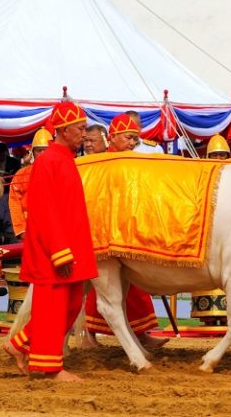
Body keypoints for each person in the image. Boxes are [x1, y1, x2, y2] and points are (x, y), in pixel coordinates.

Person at [4, 101, 97, 382]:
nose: (84, 134)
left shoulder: (63, 158)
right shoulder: (49, 161)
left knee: (68, 307)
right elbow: (43, 211)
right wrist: (59, 252)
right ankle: (48, 367)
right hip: (55, 250)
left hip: (69, 247)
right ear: (65, 130)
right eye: (80, 129)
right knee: (53, 306)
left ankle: (19, 343)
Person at [83, 114, 163, 350]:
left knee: (134, 287)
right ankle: (89, 335)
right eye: (129, 138)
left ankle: (139, 334)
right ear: (113, 137)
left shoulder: (129, 160)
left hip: (125, 234)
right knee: (97, 290)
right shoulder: (102, 164)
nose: (132, 143)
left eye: (135, 139)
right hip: (103, 236)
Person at [8, 128, 52, 240]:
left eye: (45, 150)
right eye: (39, 150)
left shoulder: (60, 171)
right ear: (33, 152)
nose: (42, 154)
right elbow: (14, 203)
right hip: (29, 229)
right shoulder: (21, 175)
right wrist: (21, 230)